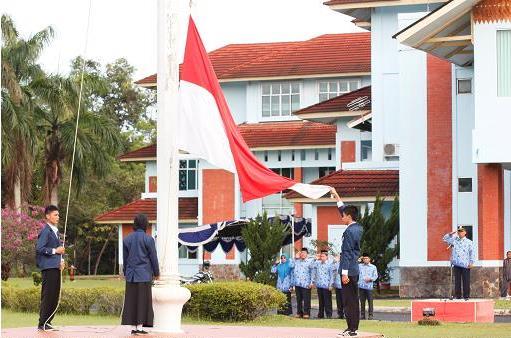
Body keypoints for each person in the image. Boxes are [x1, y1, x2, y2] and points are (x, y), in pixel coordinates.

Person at [331, 187, 363, 337]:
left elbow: (348, 253)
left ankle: (352, 330)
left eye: (343, 216)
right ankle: (352, 327)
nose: (341, 217)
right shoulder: (357, 227)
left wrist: (344, 273)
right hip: (353, 269)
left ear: (349, 216)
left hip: (349, 271)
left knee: (349, 301)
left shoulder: (350, 231)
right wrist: (337, 195)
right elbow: (343, 209)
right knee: (351, 300)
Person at [121, 214, 160, 335]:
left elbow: (125, 259)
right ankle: (139, 328)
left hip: (131, 275)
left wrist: (125, 273)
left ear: (135, 224)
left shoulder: (126, 239)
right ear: (145, 224)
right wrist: (157, 272)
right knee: (143, 301)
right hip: (144, 275)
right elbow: (153, 258)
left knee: (132, 300)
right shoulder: (149, 239)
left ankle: (133, 327)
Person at [36, 205, 65, 331]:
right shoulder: (45, 231)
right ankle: (42, 323)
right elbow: (40, 248)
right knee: (48, 295)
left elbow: (60, 249)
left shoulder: (55, 231)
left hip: (56, 267)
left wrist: (62, 261)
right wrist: (55, 250)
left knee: (54, 295)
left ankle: (48, 322)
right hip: (48, 268)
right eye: (55, 215)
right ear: (47, 216)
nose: (57, 217)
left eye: (58, 215)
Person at [443, 226, 474, 300]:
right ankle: (458, 296)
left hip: (465, 264)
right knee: (457, 281)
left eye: (462, 231)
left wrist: (471, 262)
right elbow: (444, 239)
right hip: (456, 263)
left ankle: (466, 296)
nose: (460, 233)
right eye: (459, 231)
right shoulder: (454, 240)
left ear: (465, 232)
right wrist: (450, 234)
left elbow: (472, 252)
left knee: (466, 280)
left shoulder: (469, 242)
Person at [292, 247, 314, 319]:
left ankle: (306, 313)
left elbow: (312, 273)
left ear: (307, 254)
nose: (303, 254)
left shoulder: (310, 262)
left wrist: (312, 282)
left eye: (304, 253)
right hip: (298, 283)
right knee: (298, 299)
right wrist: (295, 258)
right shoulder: (297, 261)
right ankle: (299, 313)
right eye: (301, 253)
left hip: (306, 284)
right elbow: (291, 266)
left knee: (306, 299)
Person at [312, 250, 334, 319]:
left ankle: (329, 315)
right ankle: (320, 314)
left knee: (327, 301)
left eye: (323, 256)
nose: (322, 257)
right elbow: (310, 266)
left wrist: (331, 285)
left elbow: (332, 275)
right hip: (319, 285)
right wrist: (314, 259)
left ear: (327, 257)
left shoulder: (330, 264)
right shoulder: (317, 263)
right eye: (321, 256)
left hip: (327, 286)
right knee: (321, 301)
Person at [358, 254, 378, 320]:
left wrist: (370, 279)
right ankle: (362, 315)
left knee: (370, 301)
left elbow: (375, 276)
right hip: (361, 286)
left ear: (369, 259)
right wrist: (358, 260)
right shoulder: (359, 266)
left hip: (369, 287)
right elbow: (353, 266)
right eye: (364, 258)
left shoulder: (373, 267)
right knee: (362, 302)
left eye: (367, 258)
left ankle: (370, 315)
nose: (365, 259)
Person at [333, 254, 345, 319]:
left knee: (345, 301)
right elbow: (332, 270)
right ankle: (340, 314)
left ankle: (346, 314)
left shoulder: (346, 265)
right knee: (339, 301)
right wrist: (335, 261)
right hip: (337, 285)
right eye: (340, 257)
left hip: (345, 286)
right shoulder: (336, 264)